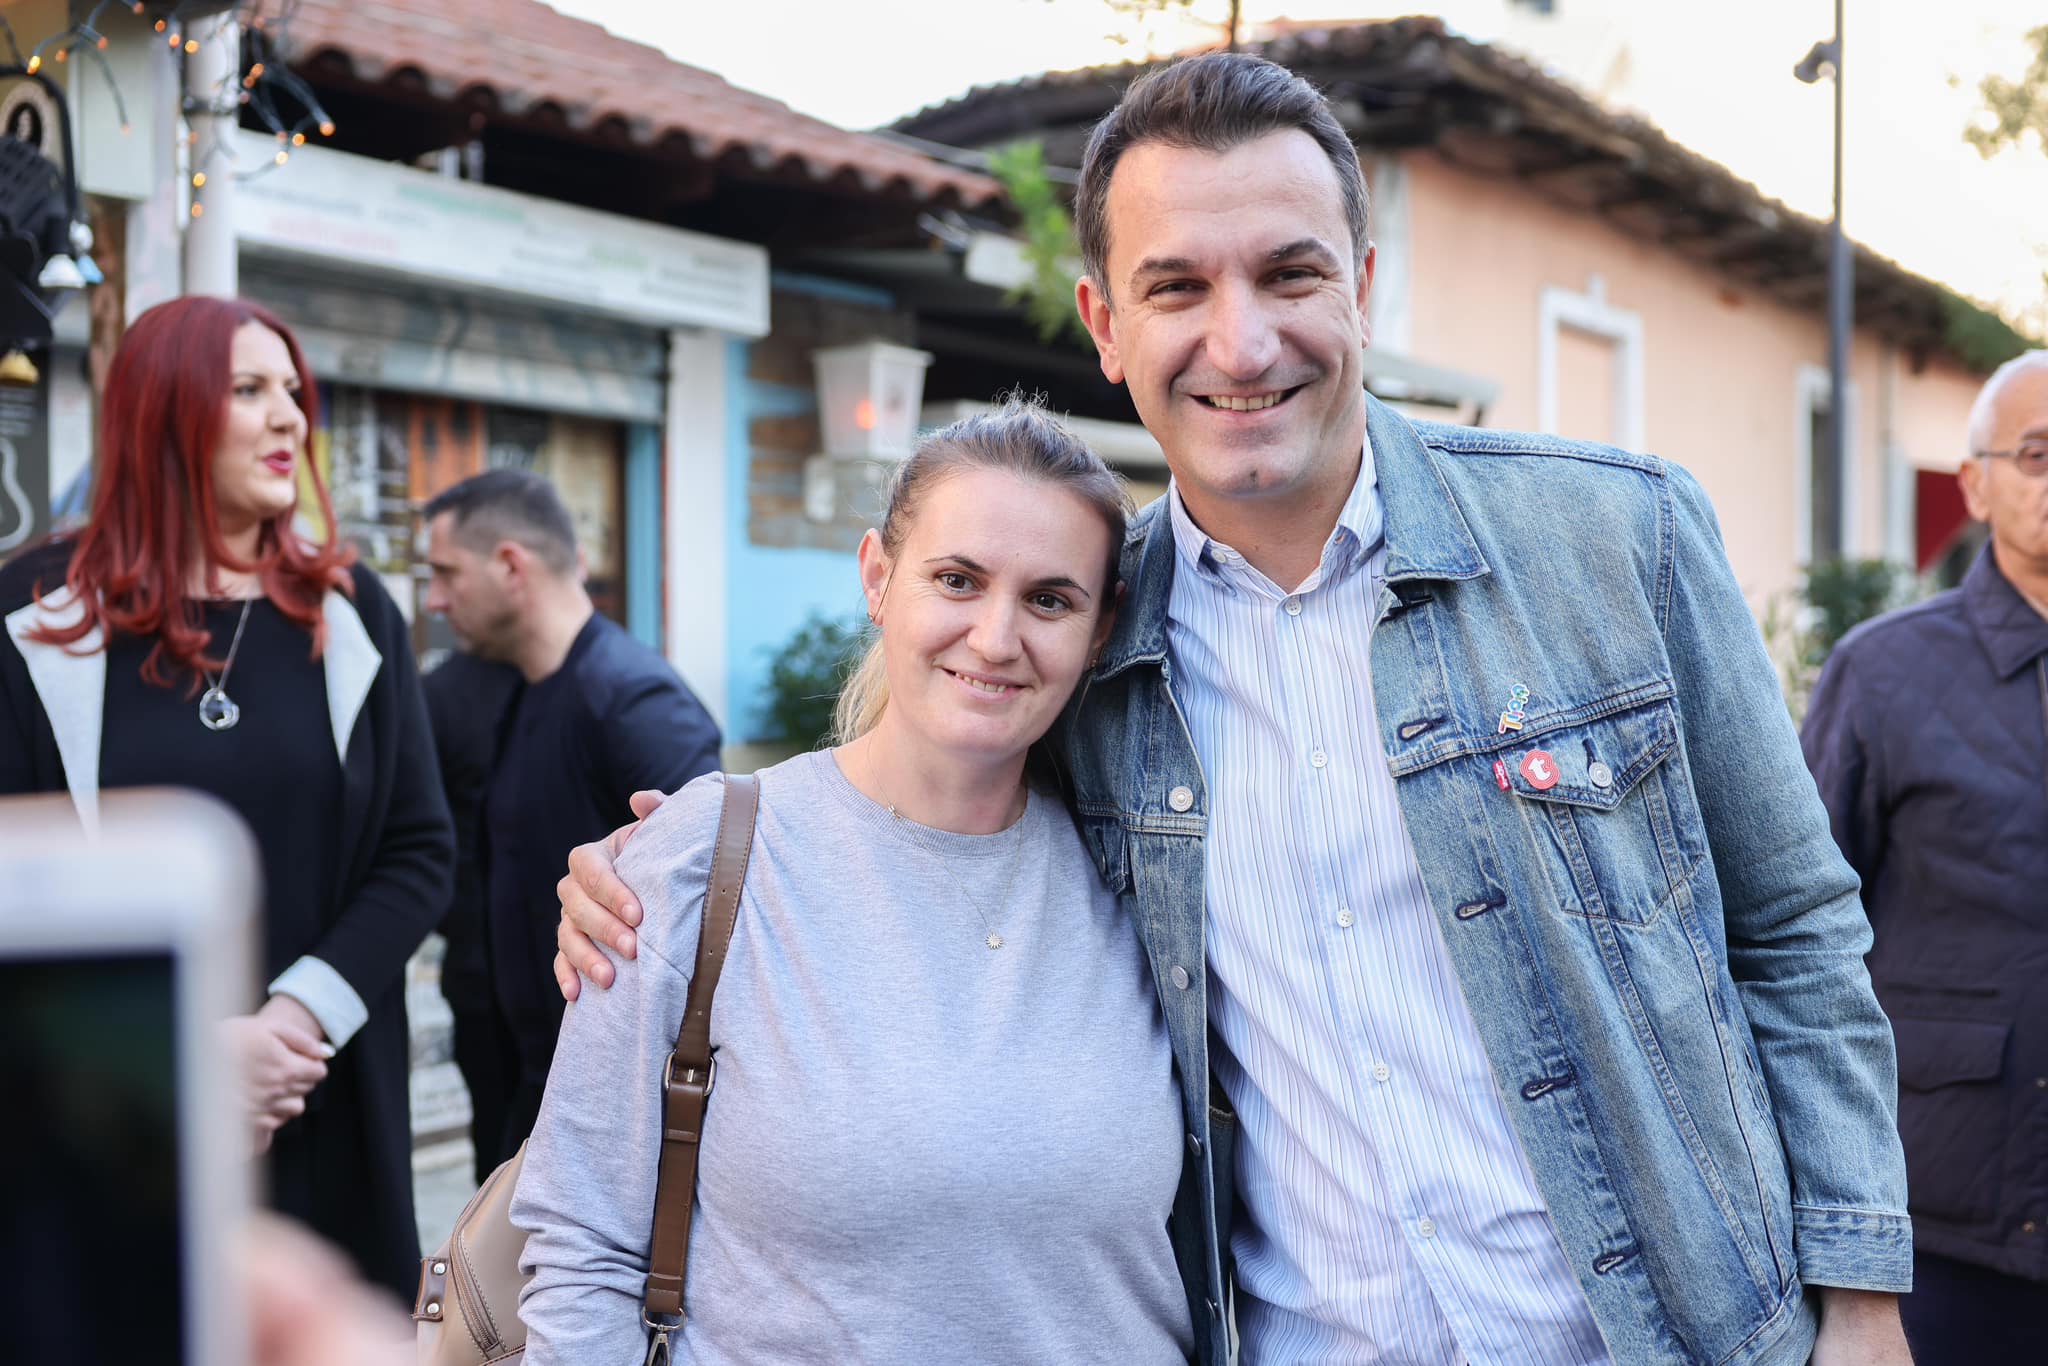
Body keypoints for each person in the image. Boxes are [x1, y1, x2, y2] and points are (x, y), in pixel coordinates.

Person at [554, 54, 1913, 1365]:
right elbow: (923, 808)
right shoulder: (1092, 644)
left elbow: (1794, 928)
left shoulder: (1615, 536)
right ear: (1105, 327)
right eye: (1177, 286)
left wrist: (1858, 1304)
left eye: (1289, 273)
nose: (1243, 342)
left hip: (1669, 1333)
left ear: (1362, 289)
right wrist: (670, 873)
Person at [510, 400, 1196, 1364]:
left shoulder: (1151, 878)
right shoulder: (705, 859)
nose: (995, 637)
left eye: (1050, 599)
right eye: (957, 580)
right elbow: (583, 1244)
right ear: (878, 577)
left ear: (1101, 628)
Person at [0, 295, 453, 1302]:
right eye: (248, 389)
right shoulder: (34, 614)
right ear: (161, 410)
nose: (290, 415)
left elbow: (419, 848)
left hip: (320, 1099)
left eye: (291, 390)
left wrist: (294, 1021)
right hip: (107, 1109)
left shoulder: (349, 609)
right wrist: (179, 1049)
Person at [1801, 349, 2048, 1364]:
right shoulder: (1883, 673)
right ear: (1975, 486)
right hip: (1941, 1225)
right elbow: (1793, 938)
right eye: (2037, 453)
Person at [422, 468, 721, 1162]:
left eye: (446, 573)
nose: (434, 599)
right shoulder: (521, 687)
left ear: (510, 565)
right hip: (524, 1079)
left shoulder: (632, 698)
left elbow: (717, 899)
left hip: (606, 1112)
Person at [421, 648, 524, 1185]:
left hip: (563, 976)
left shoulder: (604, 686)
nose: (438, 607)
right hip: (478, 966)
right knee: (496, 1150)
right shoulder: (442, 693)